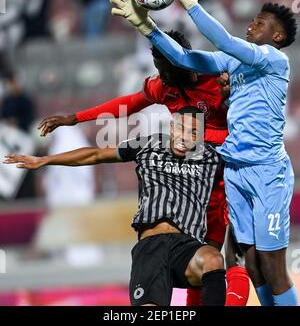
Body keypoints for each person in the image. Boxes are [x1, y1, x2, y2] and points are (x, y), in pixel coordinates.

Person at [108, 0, 298, 306]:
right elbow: (183, 57)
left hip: (267, 171)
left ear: (278, 37)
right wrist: (147, 27)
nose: (252, 24)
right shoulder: (234, 62)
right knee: (253, 265)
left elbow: (222, 39)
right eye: (253, 20)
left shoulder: (273, 60)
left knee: (272, 263)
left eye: (261, 23)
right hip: (236, 170)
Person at [36, 30, 250, 306]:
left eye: (164, 70)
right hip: (190, 180)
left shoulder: (218, 77)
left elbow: (245, 126)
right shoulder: (163, 87)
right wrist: (76, 118)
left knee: (222, 257)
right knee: (199, 259)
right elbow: (128, 104)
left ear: (181, 61)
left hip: (221, 176)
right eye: (158, 70)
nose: (161, 77)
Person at [4, 107, 226, 306]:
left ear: (202, 137)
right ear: (171, 126)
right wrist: (45, 160)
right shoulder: (149, 143)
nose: (185, 137)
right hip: (150, 249)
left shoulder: (212, 158)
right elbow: (96, 154)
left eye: (193, 133)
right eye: (181, 129)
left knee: (214, 259)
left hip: (186, 248)